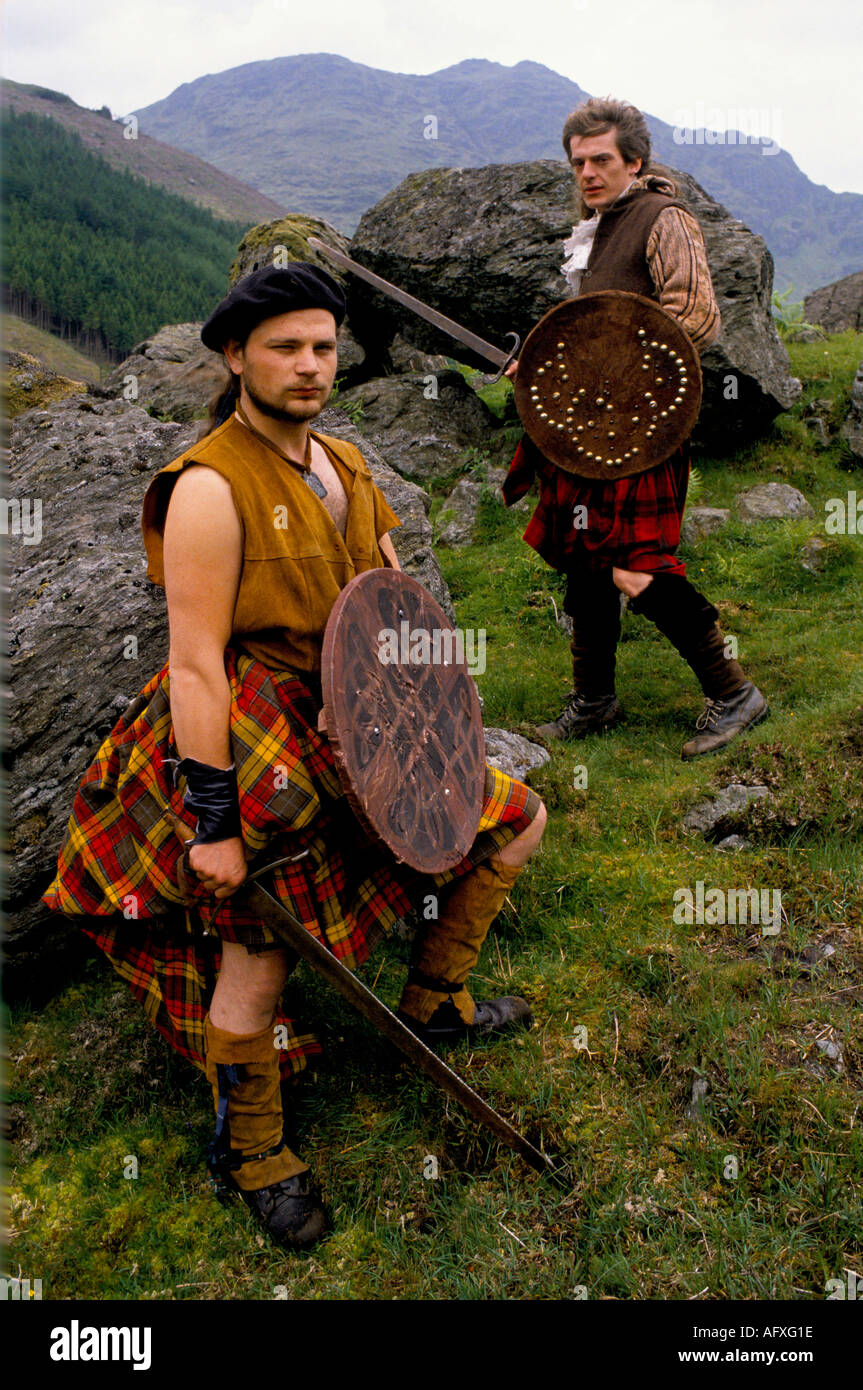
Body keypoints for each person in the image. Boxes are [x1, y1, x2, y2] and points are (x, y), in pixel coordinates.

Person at [44, 263, 546, 1250]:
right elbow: (192, 664)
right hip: (254, 729)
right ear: (236, 357)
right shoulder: (205, 488)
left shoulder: (349, 466)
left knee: (515, 818)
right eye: (286, 348)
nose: (310, 365)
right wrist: (214, 823)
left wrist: (435, 729)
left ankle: (434, 998)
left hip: (362, 716)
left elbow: (399, 611)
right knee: (260, 941)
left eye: (322, 346)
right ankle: (254, 1151)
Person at [502, 97, 768, 759]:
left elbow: (693, 315)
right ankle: (593, 701)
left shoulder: (661, 218)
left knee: (635, 567)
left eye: (600, 160)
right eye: (578, 162)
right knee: (586, 560)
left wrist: (615, 381)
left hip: (643, 430)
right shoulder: (593, 228)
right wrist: (539, 367)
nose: (587, 173)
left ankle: (733, 693)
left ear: (634, 161)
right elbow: (588, 339)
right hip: (592, 434)